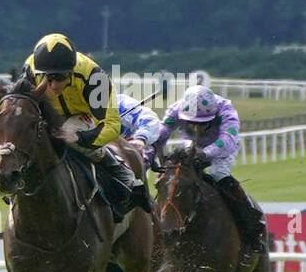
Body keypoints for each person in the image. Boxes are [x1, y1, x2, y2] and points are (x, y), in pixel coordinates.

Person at [23, 33, 153, 220]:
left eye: (58, 78)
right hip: (47, 114)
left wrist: (81, 138)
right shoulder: (30, 69)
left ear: (70, 71)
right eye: (46, 78)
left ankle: (121, 174)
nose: (51, 85)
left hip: (85, 115)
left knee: (67, 134)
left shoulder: (95, 78)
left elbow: (112, 126)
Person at [156, 84, 267, 258]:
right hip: (190, 145)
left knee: (218, 175)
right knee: (172, 180)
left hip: (221, 149)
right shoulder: (176, 109)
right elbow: (160, 134)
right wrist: (156, 157)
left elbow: (228, 140)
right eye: (192, 123)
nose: (197, 127)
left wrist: (205, 154)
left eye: (202, 123)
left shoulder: (226, 111)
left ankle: (251, 227)